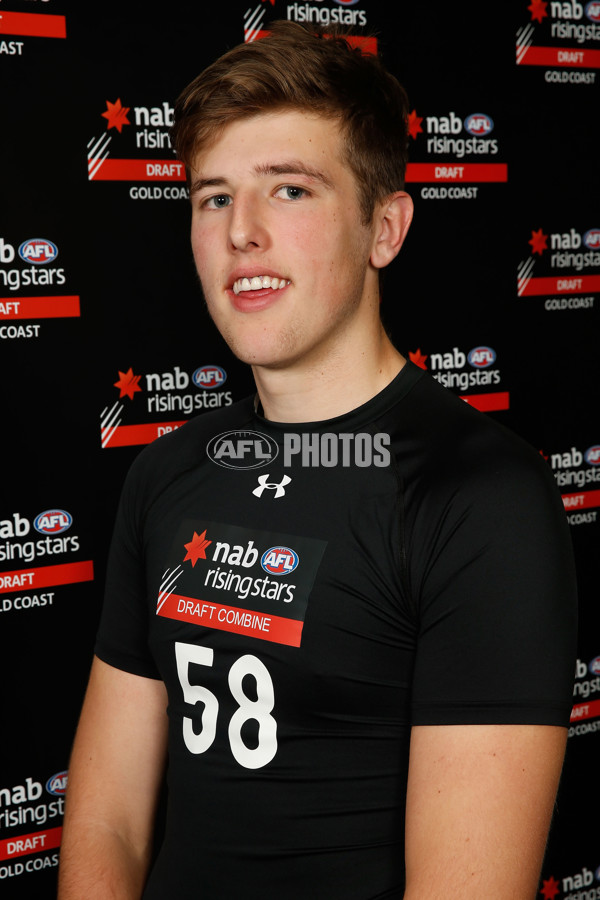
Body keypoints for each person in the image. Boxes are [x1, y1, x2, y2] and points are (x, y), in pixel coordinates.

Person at [58, 20, 577, 899]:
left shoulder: (481, 499)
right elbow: (106, 816)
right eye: (213, 198)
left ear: (386, 228)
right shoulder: (167, 472)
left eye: (290, 191)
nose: (242, 233)